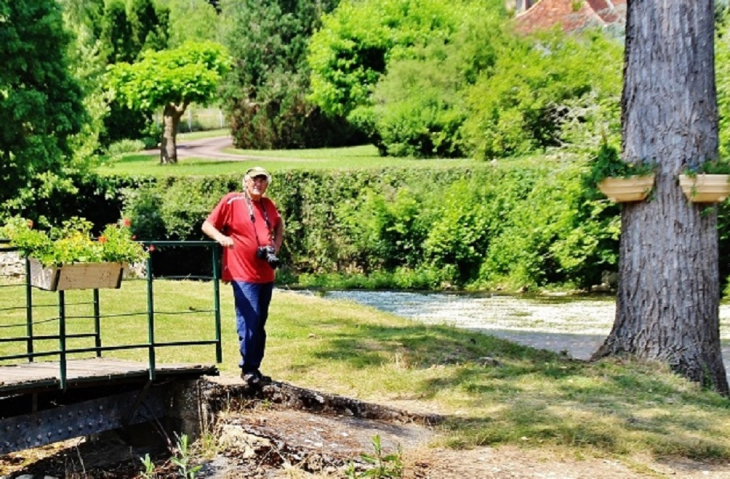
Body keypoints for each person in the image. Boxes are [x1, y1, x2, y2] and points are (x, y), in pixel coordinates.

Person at [202, 167, 285, 385]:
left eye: (262, 180)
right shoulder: (232, 201)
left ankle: (254, 367)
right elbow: (208, 225)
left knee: (259, 323)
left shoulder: (269, 205)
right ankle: (248, 369)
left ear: (267, 184)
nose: (258, 183)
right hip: (241, 272)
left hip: (266, 273)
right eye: (254, 180)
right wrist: (221, 238)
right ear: (245, 182)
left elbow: (279, 224)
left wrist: (275, 246)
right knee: (249, 319)